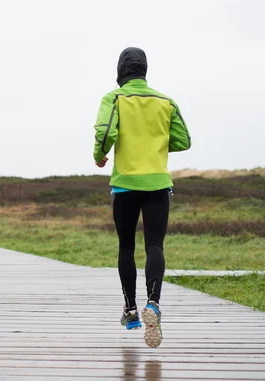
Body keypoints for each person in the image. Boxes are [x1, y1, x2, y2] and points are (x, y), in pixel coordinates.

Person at [93, 47, 191, 348]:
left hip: (125, 185)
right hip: (158, 185)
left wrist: (100, 155)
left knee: (126, 246)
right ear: (144, 70)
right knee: (155, 245)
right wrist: (155, 146)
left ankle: (131, 310)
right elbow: (183, 140)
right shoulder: (166, 102)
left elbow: (105, 130)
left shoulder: (115, 98)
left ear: (121, 70)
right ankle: (154, 303)